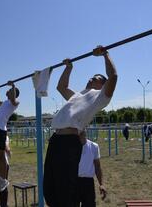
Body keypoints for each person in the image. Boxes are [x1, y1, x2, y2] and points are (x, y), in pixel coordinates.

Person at [43, 45, 117, 207]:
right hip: (55, 140)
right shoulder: (77, 95)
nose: (92, 77)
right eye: (93, 76)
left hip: (69, 142)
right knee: (49, 187)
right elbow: (60, 87)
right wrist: (68, 68)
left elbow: (113, 76)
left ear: (102, 85)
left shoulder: (100, 98)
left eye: (97, 77)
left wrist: (105, 54)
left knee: (65, 189)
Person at [0, 81, 19, 192]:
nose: (8, 91)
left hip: (0, 130)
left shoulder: (14, 103)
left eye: (10, 91)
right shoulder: (5, 102)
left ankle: (3, 179)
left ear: (13, 93)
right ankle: (2, 179)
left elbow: (13, 99)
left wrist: (13, 86)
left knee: (1, 156)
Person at [77, 131, 106, 206]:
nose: (79, 135)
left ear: (85, 133)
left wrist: (101, 184)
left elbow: (97, 167)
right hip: (74, 181)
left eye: (81, 132)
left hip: (88, 183)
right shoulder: (70, 147)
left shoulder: (94, 146)